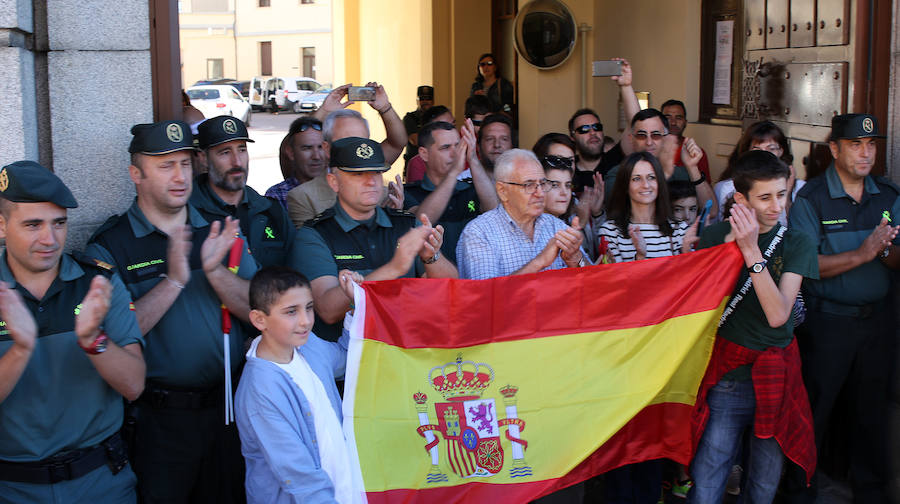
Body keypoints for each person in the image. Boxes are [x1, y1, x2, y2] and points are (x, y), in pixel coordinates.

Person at [86, 120, 258, 503]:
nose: (180, 176)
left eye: (184, 163)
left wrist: (214, 273)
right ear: (136, 174)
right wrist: (174, 281)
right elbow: (112, 338)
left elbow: (259, 311)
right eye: (165, 166)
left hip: (229, 409)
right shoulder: (111, 246)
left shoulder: (219, 230)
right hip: (158, 421)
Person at [0, 161, 145, 503]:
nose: (49, 239)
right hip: (13, 488)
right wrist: (20, 349)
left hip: (101, 481)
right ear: (2, 226)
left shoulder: (98, 282)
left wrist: (93, 339)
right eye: (33, 225)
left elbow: (134, 385)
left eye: (59, 224)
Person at [690, 150, 818, 502]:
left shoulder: (798, 243)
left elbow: (779, 315)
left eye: (782, 194)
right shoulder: (716, 236)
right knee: (709, 475)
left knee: (763, 484)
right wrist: (734, 245)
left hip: (777, 372)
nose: (777, 206)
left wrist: (751, 253)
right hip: (728, 377)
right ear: (741, 199)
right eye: (765, 197)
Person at [785, 114, 900, 502]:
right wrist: (863, 252)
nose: (866, 153)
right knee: (815, 412)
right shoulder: (812, 199)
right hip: (828, 324)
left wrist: (883, 250)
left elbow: (897, 257)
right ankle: (801, 492)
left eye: (871, 145)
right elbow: (806, 266)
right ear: (834, 149)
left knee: (872, 415)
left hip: (877, 324)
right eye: (855, 144)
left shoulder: (887, 194)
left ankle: (871, 492)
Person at [296, 137, 457, 342]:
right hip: (348, 361)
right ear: (334, 182)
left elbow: (452, 290)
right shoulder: (314, 234)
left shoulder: (406, 224)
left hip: (407, 350)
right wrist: (394, 269)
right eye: (358, 174)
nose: (371, 181)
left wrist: (431, 258)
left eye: (377, 172)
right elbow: (328, 310)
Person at [235, 266, 364, 504]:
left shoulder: (308, 345)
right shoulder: (261, 389)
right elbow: (299, 475)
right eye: (291, 312)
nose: (305, 321)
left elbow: (348, 356)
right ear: (259, 319)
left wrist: (354, 303)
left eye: (309, 308)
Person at [456, 149, 589, 280]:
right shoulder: (480, 232)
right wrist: (540, 262)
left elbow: (593, 277)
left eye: (542, 184)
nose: (540, 193)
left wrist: (577, 260)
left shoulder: (556, 226)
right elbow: (486, 296)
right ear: (502, 191)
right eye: (529, 185)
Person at [192, 115, 302, 270]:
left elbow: (298, 271)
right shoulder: (188, 212)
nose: (237, 162)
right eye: (225, 152)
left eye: (242, 150)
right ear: (203, 158)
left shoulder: (271, 210)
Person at [287, 109, 405, 229]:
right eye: (347, 143)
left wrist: (392, 220)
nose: (356, 150)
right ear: (326, 148)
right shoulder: (303, 197)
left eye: (361, 143)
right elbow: (311, 243)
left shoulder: (385, 194)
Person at [404, 120, 497, 264]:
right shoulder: (409, 193)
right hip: (434, 282)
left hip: (473, 279)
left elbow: (494, 211)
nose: (455, 154)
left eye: (458, 146)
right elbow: (420, 222)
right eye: (446, 147)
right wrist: (454, 173)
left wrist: (472, 158)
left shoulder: (471, 188)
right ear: (424, 154)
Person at [604, 109, 715, 217]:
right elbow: (623, 213)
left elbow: (712, 211)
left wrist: (692, 167)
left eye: (656, 135)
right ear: (631, 139)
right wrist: (665, 174)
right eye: (642, 135)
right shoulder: (617, 174)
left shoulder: (680, 173)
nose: (649, 142)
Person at [598, 152, 694, 263]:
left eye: (651, 177)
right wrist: (639, 257)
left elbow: (689, 277)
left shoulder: (679, 229)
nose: (646, 185)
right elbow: (614, 278)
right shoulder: (610, 231)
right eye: (636, 179)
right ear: (625, 186)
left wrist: (688, 253)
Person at [533, 132, 604, 261]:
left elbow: (588, 261)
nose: (564, 167)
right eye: (557, 160)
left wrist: (596, 214)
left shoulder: (576, 203)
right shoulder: (528, 219)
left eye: (570, 161)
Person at [714, 121, 798, 223]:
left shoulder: (800, 187)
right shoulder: (726, 187)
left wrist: (787, 193)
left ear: (781, 151)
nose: (764, 155)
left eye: (771, 149)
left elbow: (797, 228)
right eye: (756, 149)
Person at [569, 58, 639, 178]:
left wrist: (626, 86)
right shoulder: (568, 170)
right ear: (573, 137)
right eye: (584, 129)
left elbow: (635, 124)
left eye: (597, 127)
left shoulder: (614, 159)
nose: (592, 133)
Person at [266, 117, 327, 209]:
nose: (316, 156)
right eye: (307, 148)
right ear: (291, 152)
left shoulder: (342, 189)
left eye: (321, 147)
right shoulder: (277, 195)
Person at [661, 99, 711, 182]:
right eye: (667, 118)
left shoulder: (696, 153)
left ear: (685, 122)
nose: (673, 123)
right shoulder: (652, 148)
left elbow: (705, 189)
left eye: (678, 118)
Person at [405, 105, 455, 184]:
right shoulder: (417, 163)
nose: (452, 130)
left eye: (453, 125)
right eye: (445, 127)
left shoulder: (466, 153)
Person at [402, 85, 434, 170]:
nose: (425, 101)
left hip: (434, 166)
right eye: (422, 99)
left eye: (428, 99)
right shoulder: (410, 118)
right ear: (417, 101)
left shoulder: (437, 116)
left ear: (433, 101)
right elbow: (415, 140)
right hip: (415, 166)